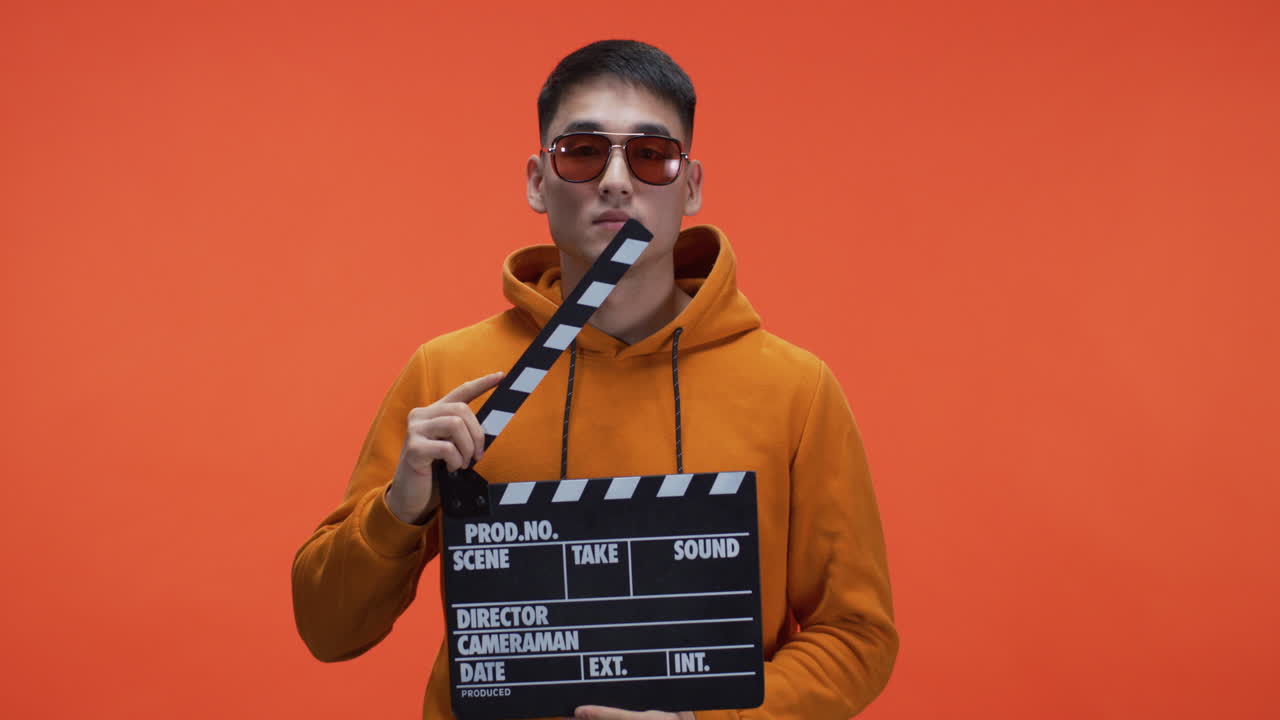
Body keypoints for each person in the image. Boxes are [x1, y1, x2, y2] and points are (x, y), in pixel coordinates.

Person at [291, 39, 898, 720]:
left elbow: (856, 635)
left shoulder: (796, 391)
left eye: (650, 154)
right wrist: (397, 511)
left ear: (689, 184)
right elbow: (328, 628)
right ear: (535, 180)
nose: (615, 179)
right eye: (581, 152)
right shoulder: (451, 376)